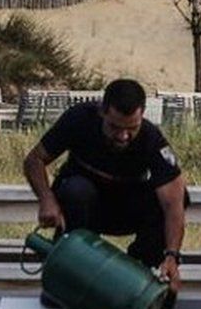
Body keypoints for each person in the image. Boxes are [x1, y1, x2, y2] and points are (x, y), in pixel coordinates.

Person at [22, 79, 187, 295]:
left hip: (124, 210)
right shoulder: (79, 119)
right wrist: (46, 199)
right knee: (76, 190)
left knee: (170, 199)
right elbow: (34, 160)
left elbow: (173, 204)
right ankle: (68, 276)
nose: (123, 136)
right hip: (82, 208)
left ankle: (142, 277)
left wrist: (172, 256)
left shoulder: (151, 140)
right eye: (115, 127)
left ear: (142, 116)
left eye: (131, 129)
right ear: (102, 111)